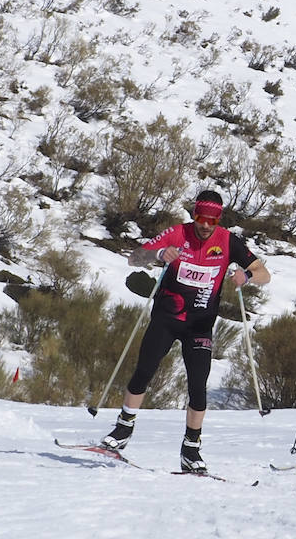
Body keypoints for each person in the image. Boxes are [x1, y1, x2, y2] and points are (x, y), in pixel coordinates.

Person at [101, 190, 271, 473]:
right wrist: (158, 254)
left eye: (212, 220)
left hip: (200, 325)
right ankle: (123, 429)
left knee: (197, 387)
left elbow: (264, 273)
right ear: (194, 215)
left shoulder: (228, 241)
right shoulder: (178, 233)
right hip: (167, 318)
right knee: (144, 371)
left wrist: (247, 276)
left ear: (219, 220)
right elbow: (134, 258)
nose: (205, 225)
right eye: (200, 218)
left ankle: (191, 450)